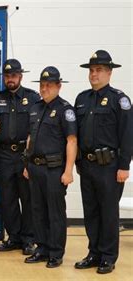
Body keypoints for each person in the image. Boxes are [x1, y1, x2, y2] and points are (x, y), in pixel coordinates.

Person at [74, 50, 132, 274]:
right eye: (91, 70)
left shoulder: (120, 99)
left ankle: (108, 256)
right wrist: (78, 162)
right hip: (87, 166)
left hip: (110, 166)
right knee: (91, 211)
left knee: (108, 212)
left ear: (109, 73)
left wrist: (124, 165)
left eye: (98, 70)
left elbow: (127, 135)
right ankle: (94, 253)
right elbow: (76, 135)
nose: (94, 74)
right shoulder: (82, 99)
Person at [0, 59, 39, 255]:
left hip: (24, 154)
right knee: (8, 199)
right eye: (7, 76)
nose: (10, 79)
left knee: (28, 198)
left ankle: (28, 239)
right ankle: (13, 237)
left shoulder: (32, 98)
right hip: (5, 154)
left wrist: (30, 156)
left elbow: (37, 124)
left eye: (14, 75)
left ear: (20, 77)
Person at [23, 66, 77, 268]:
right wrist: (27, 163)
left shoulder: (65, 109)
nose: (44, 89)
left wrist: (68, 171)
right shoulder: (35, 108)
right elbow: (30, 138)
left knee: (55, 212)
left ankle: (55, 252)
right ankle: (42, 248)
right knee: (37, 210)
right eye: (42, 85)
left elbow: (71, 141)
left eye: (48, 85)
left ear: (59, 86)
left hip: (54, 169)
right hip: (35, 167)